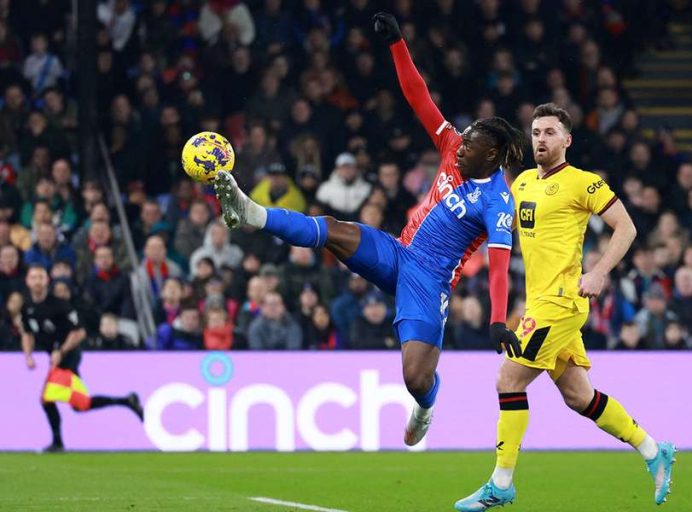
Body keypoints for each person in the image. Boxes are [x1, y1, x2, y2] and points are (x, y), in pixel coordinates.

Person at [214, 11, 525, 447]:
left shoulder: (498, 202)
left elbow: (499, 266)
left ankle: (426, 403)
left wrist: (497, 321)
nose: (461, 143)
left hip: (429, 281)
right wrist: (398, 45)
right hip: (398, 252)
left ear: (491, 155)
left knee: (415, 377)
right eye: (465, 136)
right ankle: (252, 213)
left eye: (471, 142)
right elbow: (418, 96)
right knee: (333, 230)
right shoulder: (452, 146)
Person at [455, 103, 675, 511]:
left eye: (550, 132)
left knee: (508, 380)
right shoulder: (522, 183)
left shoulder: (583, 183)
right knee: (579, 396)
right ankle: (652, 450)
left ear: (567, 140)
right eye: (536, 132)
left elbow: (626, 227)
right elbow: (495, 224)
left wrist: (600, 271)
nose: (541, 139)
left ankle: (501, 483)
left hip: (562, 302)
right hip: (539, 303)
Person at [20, 265, 143, 452]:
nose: (37, 281)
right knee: (81, 405)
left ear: (47, 281)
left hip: (69, 356)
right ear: (27, 281)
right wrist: (28, 355)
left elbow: (79, 332)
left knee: (46, 399)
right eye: (33, 277)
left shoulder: (60, 305)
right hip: (55, 357)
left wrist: (61, 351)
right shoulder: (27, 307)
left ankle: (57, 443)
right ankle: (126, 401)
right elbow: (27, 333)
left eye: (40, 277)